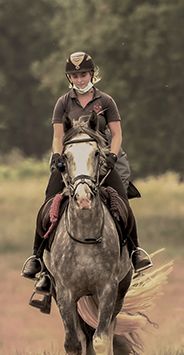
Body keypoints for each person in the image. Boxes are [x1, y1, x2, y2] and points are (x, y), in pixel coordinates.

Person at [21, 52, 152, 308]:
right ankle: (39, 262)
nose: (79, 79)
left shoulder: (106, 100)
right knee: (48, 203)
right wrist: (58, 156)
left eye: (83, 74)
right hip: (70, 161)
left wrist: (112, 156)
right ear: (69, 77)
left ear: (92, 73)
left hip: (100, 160)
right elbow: (58, 135)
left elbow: (117, 133)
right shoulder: (62, 102)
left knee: (122, 202)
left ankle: (135, 252)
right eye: (74, 75)